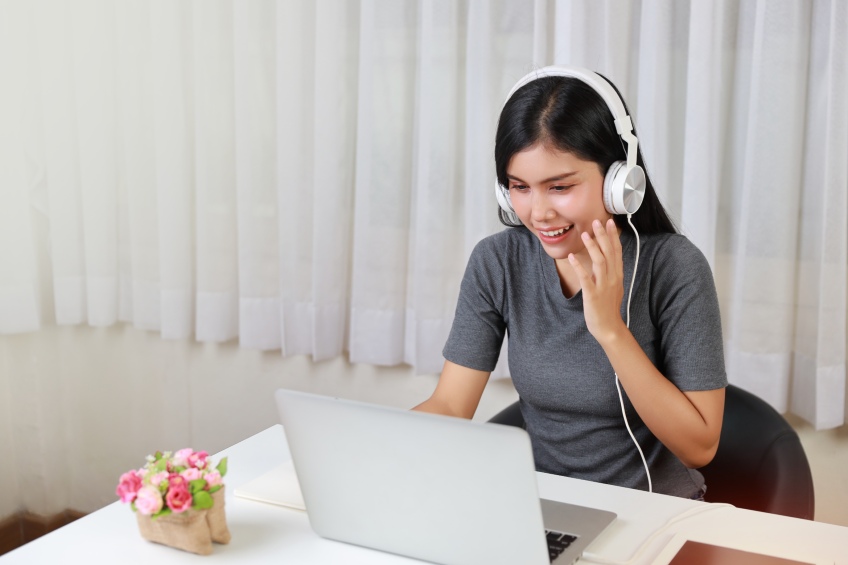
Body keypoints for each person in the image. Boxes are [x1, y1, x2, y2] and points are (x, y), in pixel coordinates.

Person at [413, 66, 727, 499]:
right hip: (543, 508)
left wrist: (611, 331)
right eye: (519, 187)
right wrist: (377, 448)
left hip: (653, 513)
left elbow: (700, 447)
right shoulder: (499, 262)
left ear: (620, 181)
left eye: (559, 187)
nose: (538, 212)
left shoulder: (674, 268)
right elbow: (450, 405)